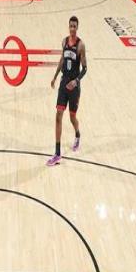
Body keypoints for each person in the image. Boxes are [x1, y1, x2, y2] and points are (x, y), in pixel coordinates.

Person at [47, 16, 87, 166]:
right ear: (68, 27)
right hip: (64, 83)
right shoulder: (64, 42)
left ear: (77, 27)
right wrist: (55, 76)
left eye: (74, 26)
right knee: (58, 116)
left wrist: (76, 81)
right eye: (70, 26)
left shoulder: (81, 45)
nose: (72, 29)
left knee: (72, 118)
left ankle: (77, 134)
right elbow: (62, 60)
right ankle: (57, 154)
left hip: (74, 86)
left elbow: (85, 68)